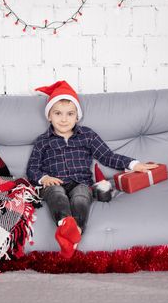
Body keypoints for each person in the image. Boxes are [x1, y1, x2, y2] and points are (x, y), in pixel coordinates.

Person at [26, 81, 158, 259]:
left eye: (70, 114)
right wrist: (44, 178)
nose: (64, 119)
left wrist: (134, 164)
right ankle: (65, 223)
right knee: (57, 193)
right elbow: (32, 169)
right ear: (49, 116)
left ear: (77, 117)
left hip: (81, 182)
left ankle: (76, 229)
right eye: (58, 113)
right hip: (54, 183)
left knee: (81, 195)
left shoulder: (87, 135)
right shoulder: (42, 141)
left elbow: (107, 156)